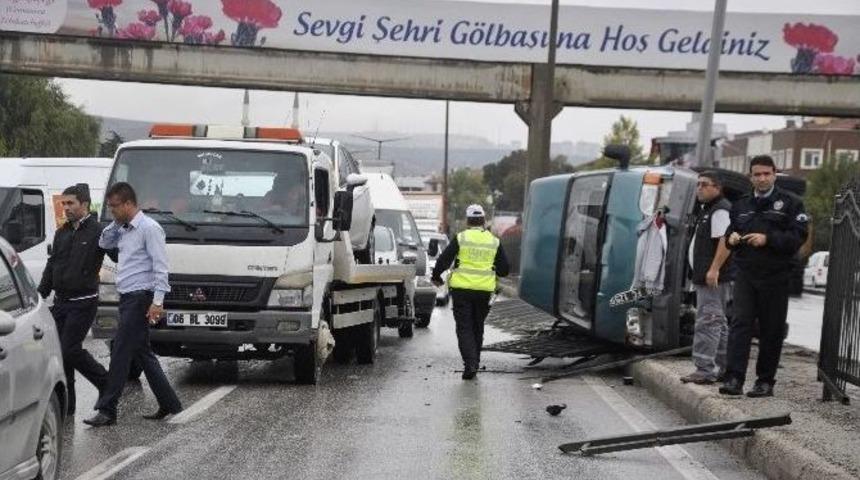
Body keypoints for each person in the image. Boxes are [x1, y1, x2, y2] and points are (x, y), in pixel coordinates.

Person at [84, 182, 183, 427]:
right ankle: (170, 403)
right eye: (109, 207)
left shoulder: (150, 229)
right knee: (143, 352)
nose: (112, 211)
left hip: (141, 297)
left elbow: (161, 268)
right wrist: (115, 224)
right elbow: (103, 244)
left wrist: (158, 302)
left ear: (129, 203)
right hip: (127, 297)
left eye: (115, 207)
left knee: (120, 351)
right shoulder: (123, 229)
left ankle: (107, 409)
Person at [718, 156, 808, 397]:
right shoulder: (741, 205)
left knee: (771, 329)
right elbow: (730, 233)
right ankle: (734, 378)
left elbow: (797, 238)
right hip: (746, 273)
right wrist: (732, 239)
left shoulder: (791, 203)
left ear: (775, 174)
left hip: (776, 275)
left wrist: (768, 240)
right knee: (740, 325)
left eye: (766, 174)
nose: (762, 178)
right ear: (751, 177)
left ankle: (765, 381)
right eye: (757, 174)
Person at [38, 184, 112, 416]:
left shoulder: (99, 231)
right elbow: (52, 265)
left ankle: (106, 383)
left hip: (84, 301)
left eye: (70, 203)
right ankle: (67, 407)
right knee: (60, 352)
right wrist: (40, 293)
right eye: (64, 203)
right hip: (61, 302)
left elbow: (120, 255)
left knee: (70, 349)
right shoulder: (62, 232)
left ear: (85, 204)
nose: (66, 208)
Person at [431, 204, 510, 380]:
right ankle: (475, 361)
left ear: (468, 221)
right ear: (483, 220)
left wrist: (436, 276)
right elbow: (504, 270)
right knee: (477, 326)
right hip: (484, 292)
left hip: (461, 291)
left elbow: (444, 260)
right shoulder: (493, 241)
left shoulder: (461, 238)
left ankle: (470, 364)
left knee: (464, 327)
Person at [680, 172, 732, 385]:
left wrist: (714, 269)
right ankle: (725, 368)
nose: (699, 188)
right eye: (698, 184)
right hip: (706, 276)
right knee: (717, 322)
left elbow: (725, 240)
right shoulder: (708, 209)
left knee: (708, 321)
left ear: (717, 188)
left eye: (704, 185)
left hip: (712, 277)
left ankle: (704, 370)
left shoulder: (720, 210)